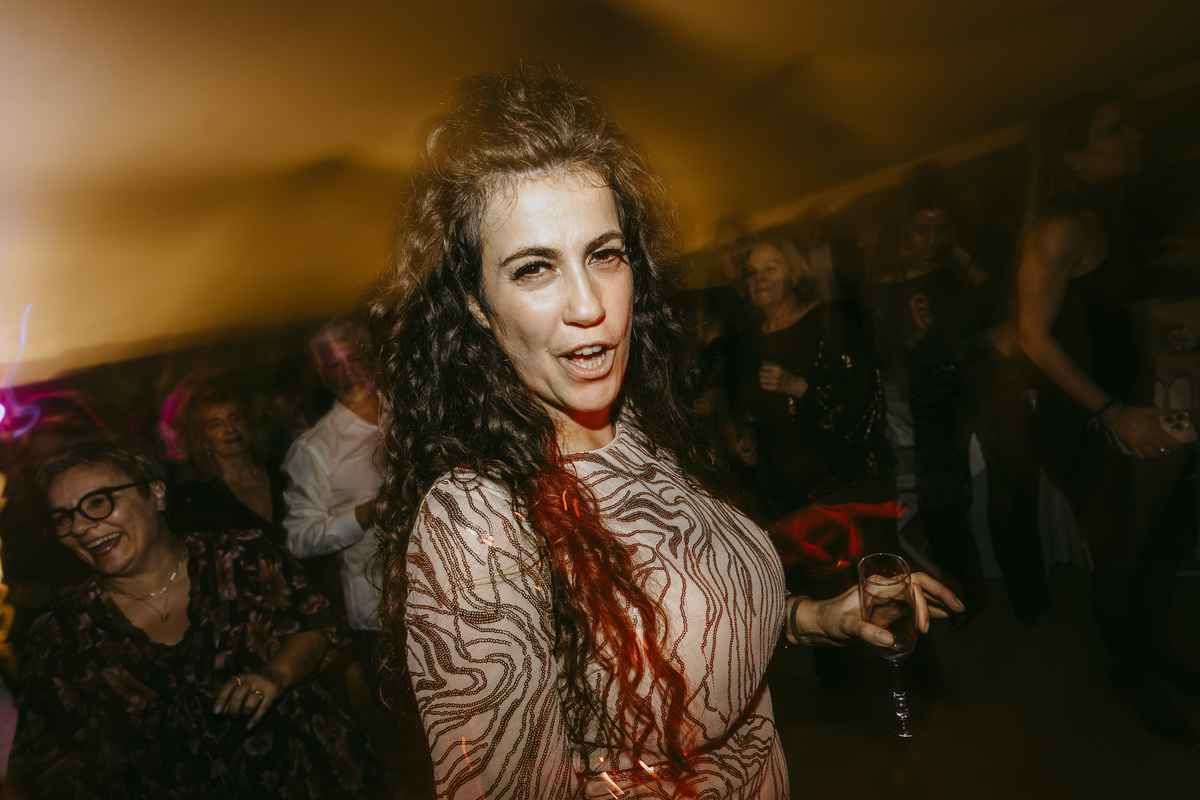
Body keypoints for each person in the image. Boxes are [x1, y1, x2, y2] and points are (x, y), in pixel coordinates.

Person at [369, 67, 963, 799]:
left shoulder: (640, 427)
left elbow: (688, 622)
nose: (589, 304)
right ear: (476, 306)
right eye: (534, 269)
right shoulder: (477, 522)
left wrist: (815, 619)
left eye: (604, 254)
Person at [6, 437, 381, 798]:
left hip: (312, 778)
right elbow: (44, 768)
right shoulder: (62, 633)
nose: (79, 527)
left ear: (156, 493)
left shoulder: (242, 556)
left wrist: (276, 674)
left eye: (98, 502)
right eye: (64, 518)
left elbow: (316, 625)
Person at [1017, 95, 1200, 747]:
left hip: (1131, 405)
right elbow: (1033, 337)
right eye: (1113, 130)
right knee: (1124, 557)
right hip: (1089, 422)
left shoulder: (1110, 213)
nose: (1133, 135)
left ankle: (1155, 650)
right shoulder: (1061, 227)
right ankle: (1135, 674)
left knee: (1167, 539)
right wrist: (1112, 412)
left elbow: (1110, 315)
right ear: (1073, 159)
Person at [869, 194, 1047, 624]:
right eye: (922, 229)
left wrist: (964, 256)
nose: (932, 238)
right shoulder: (887, 285)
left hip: (983, 382)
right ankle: (963, 601)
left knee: (1011, 486)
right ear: (905, 231)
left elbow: (1006, 302)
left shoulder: (962, 270)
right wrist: (913, 334)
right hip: (932, 390)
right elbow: (881, 354)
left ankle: (1029, 600)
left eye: (942, 229)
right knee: (940, 501)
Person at [738, 235, 893, 522]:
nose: (759, 278)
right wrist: (748, 435)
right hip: (790, 494)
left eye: (770, 267)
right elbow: (751, 406)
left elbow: (864, 402)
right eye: (752, 271)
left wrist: (796, 386)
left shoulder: (829, 322)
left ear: (795, 275)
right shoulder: (753, 340)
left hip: (845, 486)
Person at [170, 379, 289, 543]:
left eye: (236, 418)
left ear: (249, 425)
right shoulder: (200, 500)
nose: (230, 429)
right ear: (203, 440)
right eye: (216, 425)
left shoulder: (283, 472)